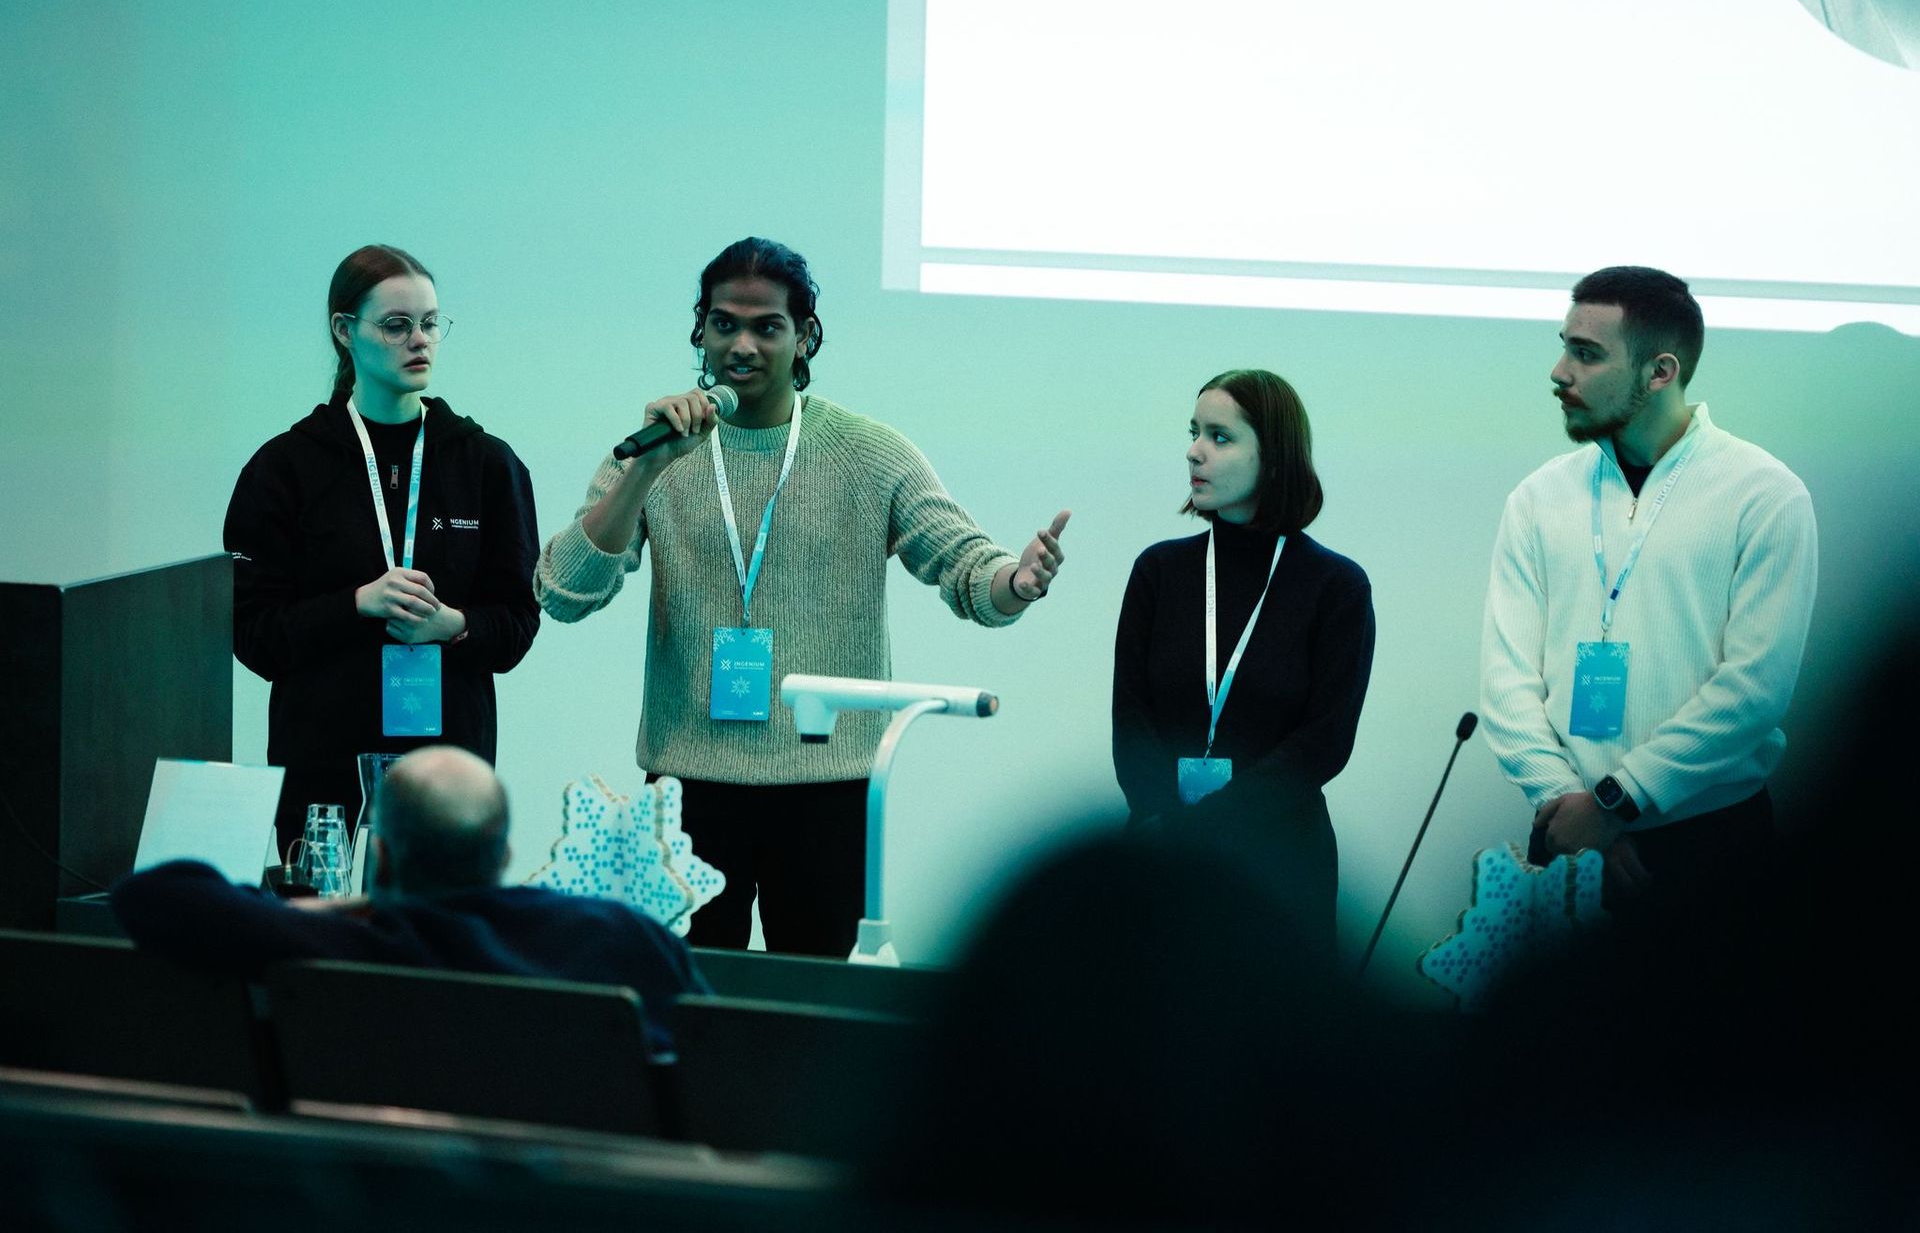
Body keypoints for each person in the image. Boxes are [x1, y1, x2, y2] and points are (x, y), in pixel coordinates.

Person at [534, 237, 1070, 958]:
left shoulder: (866, 451)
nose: (742, 345)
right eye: (724, 324)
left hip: (828, 784)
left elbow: (967, 569)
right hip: (690, 783)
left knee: (815, 1007)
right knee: (691, 1008)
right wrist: (645, 471)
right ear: (699, 331)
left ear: (804, 336)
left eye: (767, 327)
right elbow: (563, 592)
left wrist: (1017, 581)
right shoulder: (660, 449)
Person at [1479, 266, 1818, 929]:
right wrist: (1568, 803)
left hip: (1712, 842)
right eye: (1564, 346)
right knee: (1556, 1035)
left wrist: (1616, 801)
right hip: (1567, 831)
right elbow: (1505, 681)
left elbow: (1755, 690)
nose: (1559, 371)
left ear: (1660, 372)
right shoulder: (1539, 498)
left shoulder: (1765, 496)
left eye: (1586, 353)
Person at [224, 245, 539, 851]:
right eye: (396, 326)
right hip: (321, 772)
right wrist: (357, 605)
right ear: (345, 332)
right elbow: (253, 635)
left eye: (429, 324)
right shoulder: (285, 468)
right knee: (328, 936)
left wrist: (452, 625)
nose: (418, 341)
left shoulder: (486, 464)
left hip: (450, 774)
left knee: (437, 938)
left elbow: (519, 624)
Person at [112, 746, 706, 1050]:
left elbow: (150, 896)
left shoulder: (348, 944)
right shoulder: (622, 938)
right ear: (502, 855)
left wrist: (342, 906)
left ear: (384, 859)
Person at [1111, 369, 1375, 942]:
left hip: (1280, 861)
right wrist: (1164, 821)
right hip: (1159, 851)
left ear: (1274, 458)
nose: (1194, 451)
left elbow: (1324, 740)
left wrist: (1210, 826)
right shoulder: (1159, 571)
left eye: (1220, 437)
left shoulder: (1335, 585)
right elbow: (1130, 715)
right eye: (1194, 432)